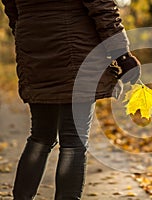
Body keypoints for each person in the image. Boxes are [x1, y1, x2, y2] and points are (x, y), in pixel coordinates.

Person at [1, 0, 141, 199]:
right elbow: (103, 8)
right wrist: (123, 55)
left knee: (40, 136)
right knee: (73, 141)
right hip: (77, 52)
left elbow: (12, 9)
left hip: (34, 49)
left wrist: (29, 34)